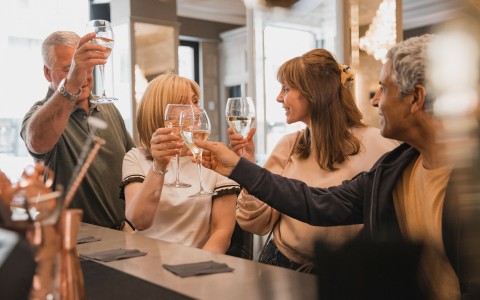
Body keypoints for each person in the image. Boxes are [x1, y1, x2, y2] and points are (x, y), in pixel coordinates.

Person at [196, 34, 474, 298]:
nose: (374, 99)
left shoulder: (468, 179)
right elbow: (317, 203)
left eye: (384, 88)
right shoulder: (394, 170)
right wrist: (239, 167)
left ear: (416, 97)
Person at [228, 49, 398, 272]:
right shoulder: (289, 146)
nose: (279, 98)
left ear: (314, 92)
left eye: (286, 89)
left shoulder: (380, 144)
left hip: (348, 275)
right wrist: (249, 167)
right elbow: (256, 224)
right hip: (282, 267)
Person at [21, 31, 134, 229]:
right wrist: (71, 84)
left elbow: (133, 163)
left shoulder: (107, 107)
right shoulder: (39, 114)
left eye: (87, 68)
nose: (84, 76)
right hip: (73, 241)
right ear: (47, 72)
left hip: (120, 235)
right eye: (70, 69)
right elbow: (36, 141)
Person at [121, 74, 239, 254]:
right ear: (161, 111)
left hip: (196, 266)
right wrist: (159, 166)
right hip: (143, 263)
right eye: (184, 104)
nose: (196, 110)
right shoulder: (136, 158)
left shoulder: (215, 159)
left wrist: (198, 269)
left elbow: (221, 233)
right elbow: (139, 221)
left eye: (196, 101)